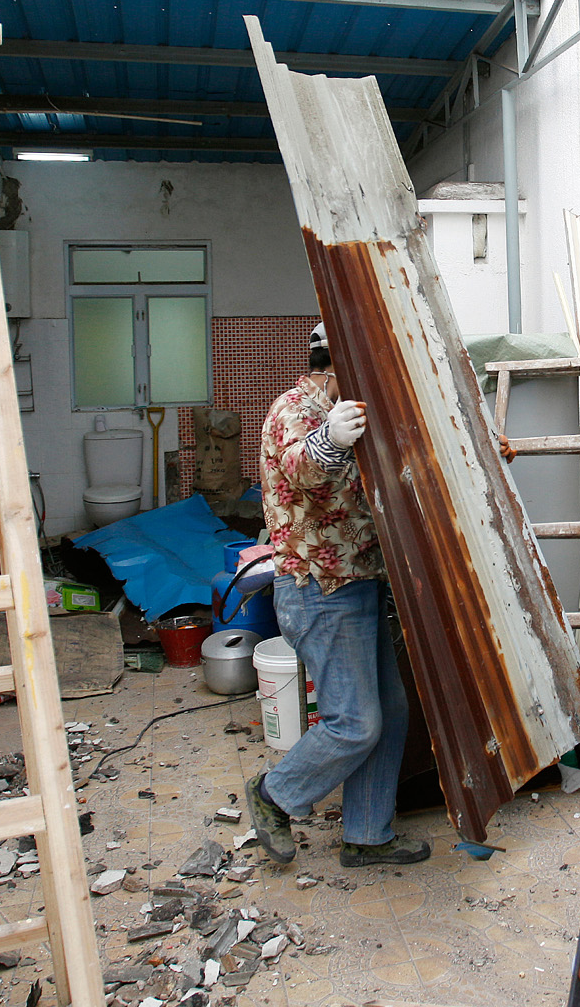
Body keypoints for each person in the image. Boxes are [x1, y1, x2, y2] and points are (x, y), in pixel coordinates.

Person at [244, 321, 429, 868]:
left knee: (390, 713)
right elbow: (300, 470)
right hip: (318, 592)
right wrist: (328, 439)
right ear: (336, 364)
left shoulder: (350, 412)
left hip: (360, 585)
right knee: (354, 723)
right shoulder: (295, 410)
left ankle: (367, 834)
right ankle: (274, 795)